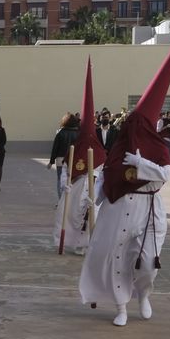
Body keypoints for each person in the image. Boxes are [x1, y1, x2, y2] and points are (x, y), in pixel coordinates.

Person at [80, 22, 170, 326]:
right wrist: (95, 196)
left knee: (147, 263)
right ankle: (121, 306)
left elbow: (164, 175)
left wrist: (143, 165)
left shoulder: (158, 148)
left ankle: (144, 293)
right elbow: (107, 176)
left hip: (150, 208)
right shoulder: (118, 148)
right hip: (119, 208)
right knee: (116, 259)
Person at [55, 58, 104, 254]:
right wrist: (65, 185)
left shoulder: (99, 150)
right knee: (71, 215)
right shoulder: (74, 148)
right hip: (76, 188)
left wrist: (98, 192)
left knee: (93, 216)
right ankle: (73, 243)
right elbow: (67, 168)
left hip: (92, 190)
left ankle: (88, 244)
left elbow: (103, 173)